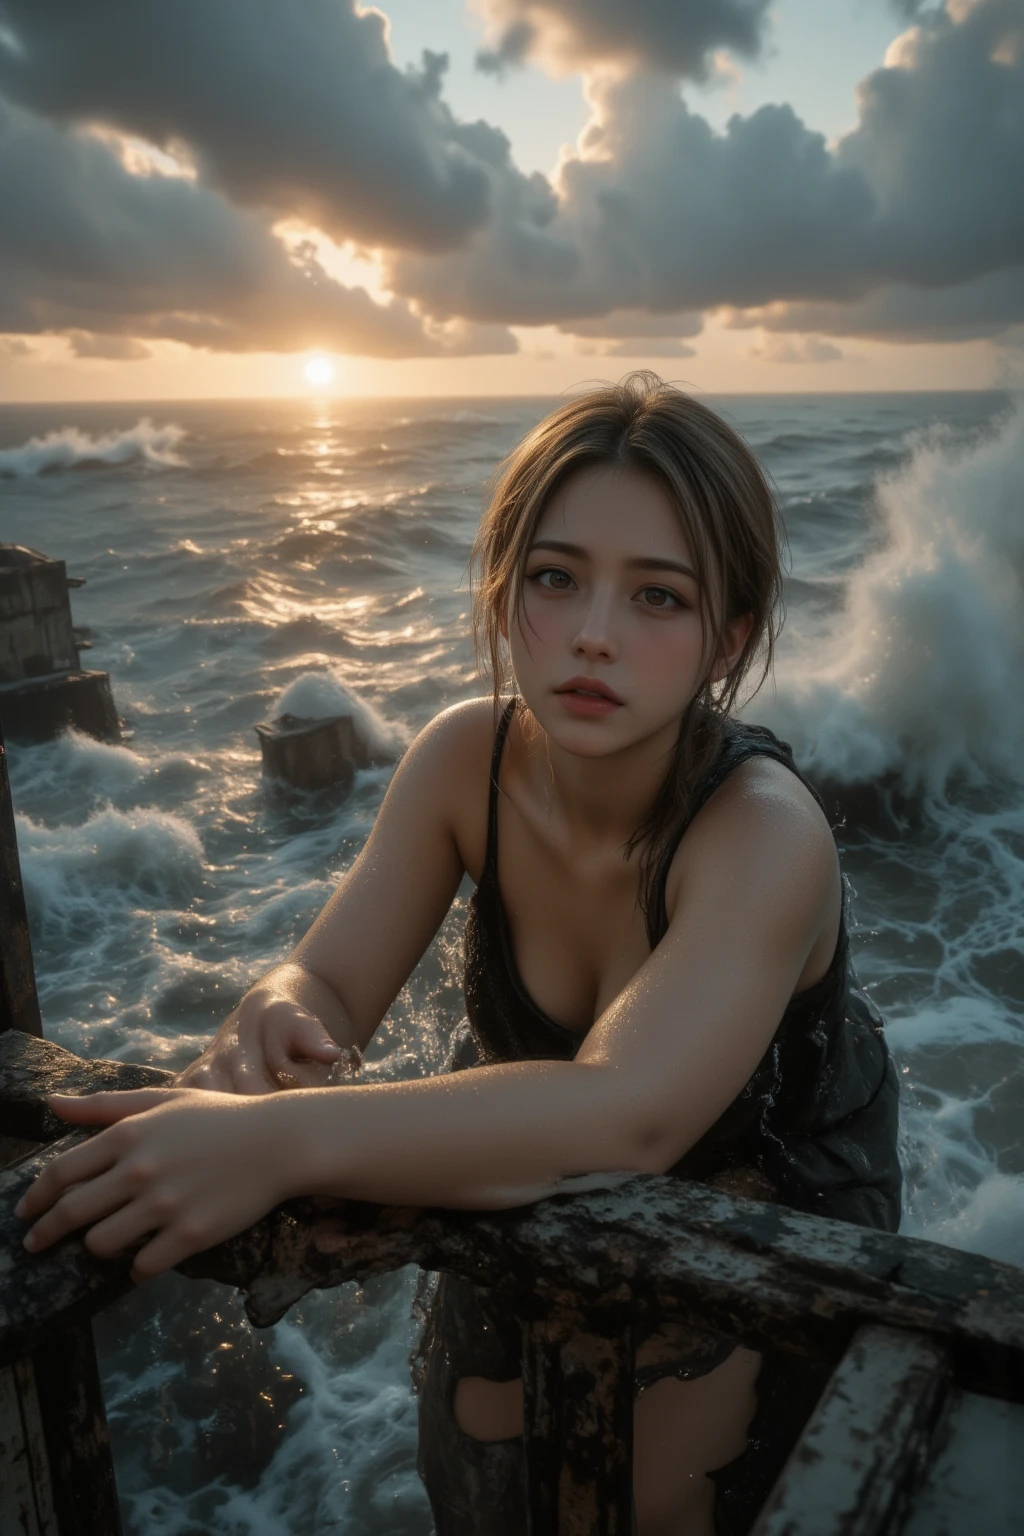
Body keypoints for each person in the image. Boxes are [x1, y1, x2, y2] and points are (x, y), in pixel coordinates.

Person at [15, 372, 901, 1536]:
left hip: (758, 1189)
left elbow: (628, 1112)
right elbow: (330, 975)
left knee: (656, 1509)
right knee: (479, 1477)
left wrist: (277, 1142)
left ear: (729, 638)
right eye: (555, 578)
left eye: (659, 598)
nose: (593, 632)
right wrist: (276, 1011)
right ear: (502, 590)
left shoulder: (763, 834)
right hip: (523, 1151)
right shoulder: (463, 762)